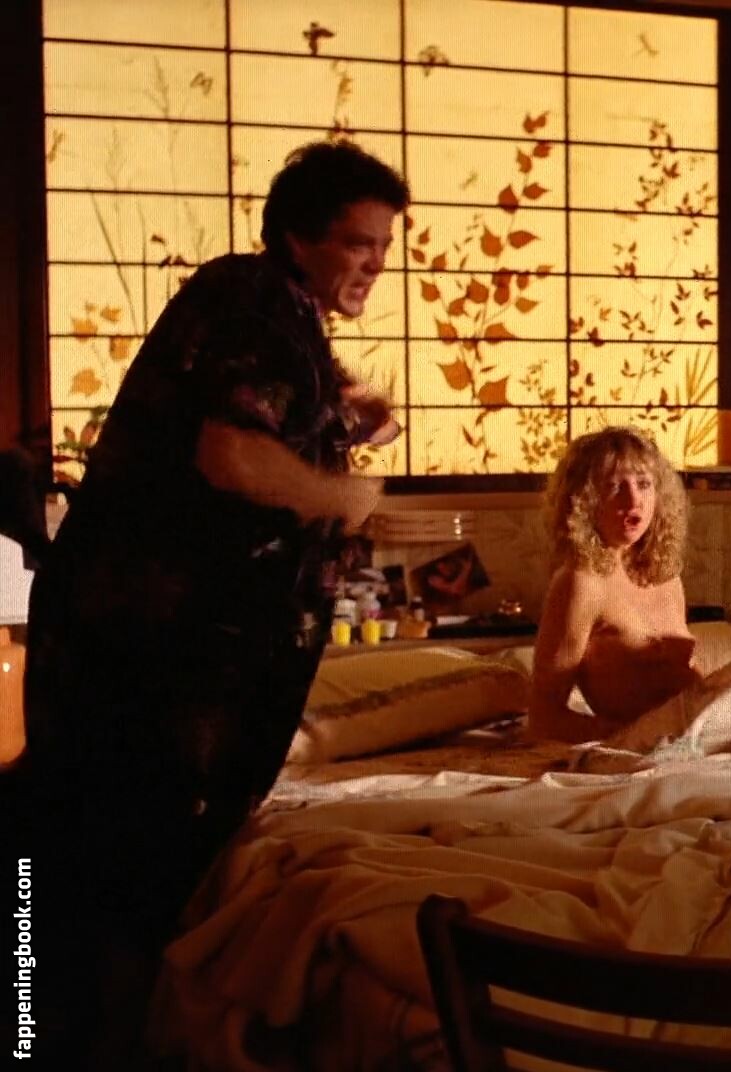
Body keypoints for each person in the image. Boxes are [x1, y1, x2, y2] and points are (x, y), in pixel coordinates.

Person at [13, 140, 409, 1068]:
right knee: (124, 873)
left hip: (182, 652)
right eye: (358, 243)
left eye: (384, 247)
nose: (375, 266)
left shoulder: (278, 313)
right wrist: (341, 495)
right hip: (156, 655)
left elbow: (258, 420)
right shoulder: (254, 297)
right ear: (297, 236)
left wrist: (346, 420)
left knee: (132, 871)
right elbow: (229, 455)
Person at [528, 426, 699, 743]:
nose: (634, 500)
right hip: (653, 747)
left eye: (644, 484)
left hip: (704, 730)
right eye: (614, 486)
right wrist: (634, 738)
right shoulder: (581, 583)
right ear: (584, 501)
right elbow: (543, 720)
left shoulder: (665, 576)